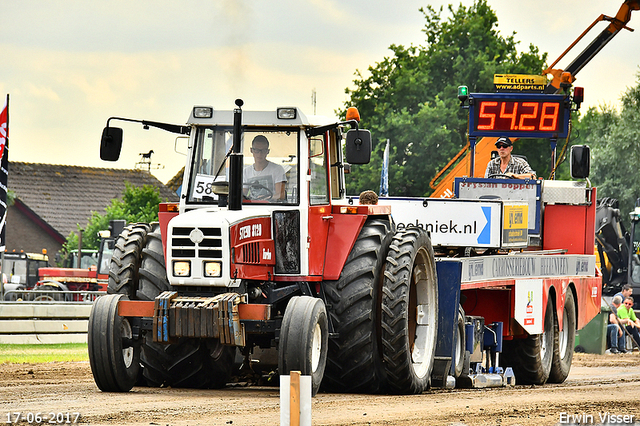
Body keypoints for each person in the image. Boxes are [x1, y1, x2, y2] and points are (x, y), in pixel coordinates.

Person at [243, 135, 286, 201]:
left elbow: (281, 195)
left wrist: (267, 198)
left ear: (267, 151)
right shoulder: (246, 172)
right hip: (252, 207)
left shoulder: (277, 170)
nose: (259, 154)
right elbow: (243, 194)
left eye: (263, 151)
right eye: (257, 150)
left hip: (271, 208)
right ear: (251, 150)